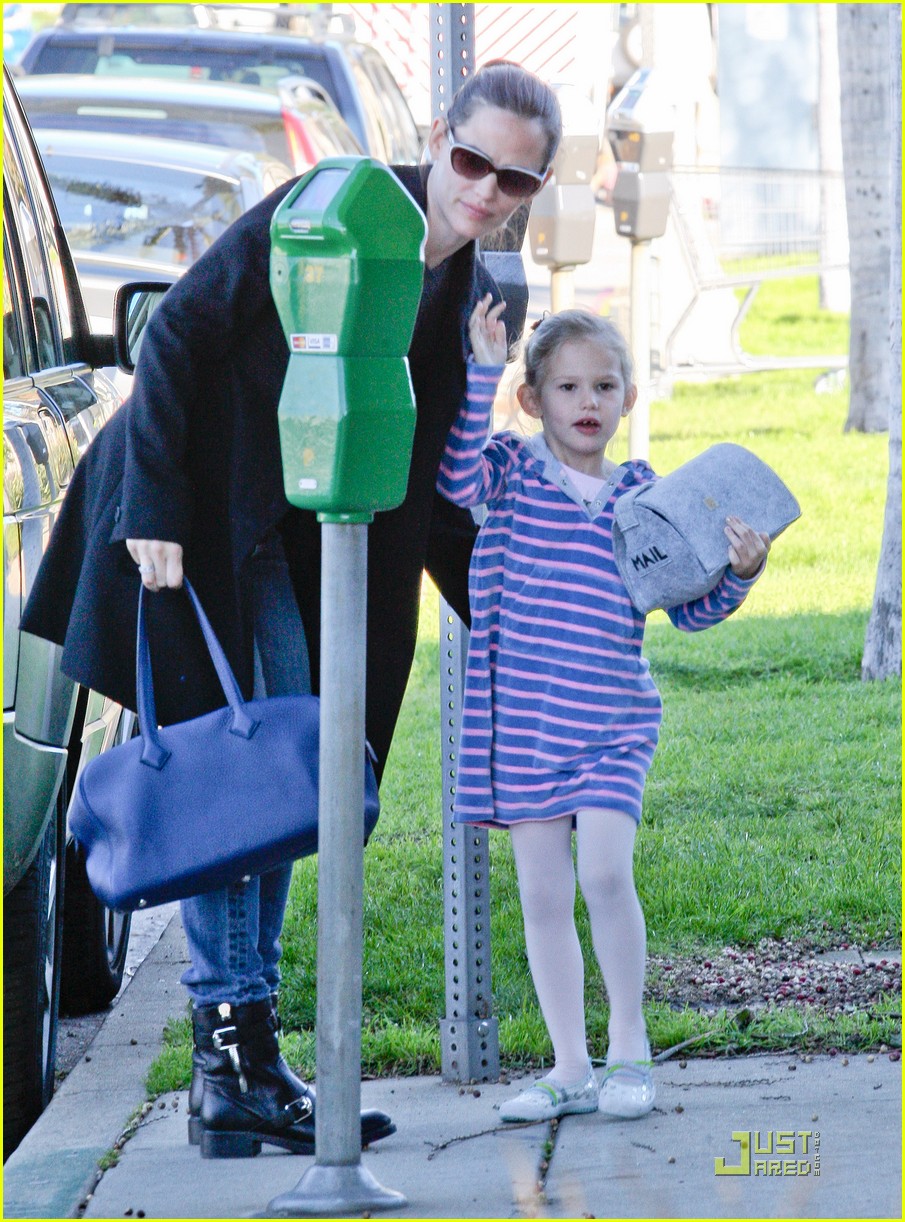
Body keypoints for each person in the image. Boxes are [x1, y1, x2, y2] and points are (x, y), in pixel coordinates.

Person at [21, 62, 563, 1157]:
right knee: (241, 780)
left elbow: (424, 466)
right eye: (470, 161)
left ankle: (240, 1067)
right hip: (193, 510)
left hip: (300, 534)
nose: (485, 191)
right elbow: (174, 331)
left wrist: (517, 596)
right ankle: (235, 1055)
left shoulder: (472, 292)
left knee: (286, 783)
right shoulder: (334, 208)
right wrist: (156, 510)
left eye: (515, 178)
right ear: (434, 137)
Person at [436, 304, 769, 1122]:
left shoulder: (643, 498)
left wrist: (737, 574)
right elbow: (451, 480)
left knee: (605, 873)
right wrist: (482, 367)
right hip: (522, 723)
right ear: (533, 399)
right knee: (544, 898)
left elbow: (685, 610)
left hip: (613, 720)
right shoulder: (508, 476)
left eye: (605, 385)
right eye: (568, 386)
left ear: (625, 398)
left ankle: (629, 1050)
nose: (588, 401)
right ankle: (569, 1067)